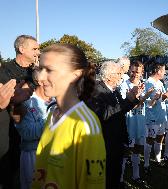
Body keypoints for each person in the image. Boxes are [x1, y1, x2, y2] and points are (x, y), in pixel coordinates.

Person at [31, 44, 106, 189]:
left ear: (75, 75)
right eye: (40, 69)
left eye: (49, 70)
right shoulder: (53, 114)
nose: (40, 77)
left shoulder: (85, 124)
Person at [86, 61, 142, 189]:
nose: (121, 76)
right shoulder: (96, 90)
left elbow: (121, 109)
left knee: (116, 172)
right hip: (107, 142)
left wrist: (133, 98)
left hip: (117, 140)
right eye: (119, 73)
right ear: (109, 75)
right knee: (108, 174)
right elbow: (105, 114)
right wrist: (127, 100)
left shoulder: (114, 90)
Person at [0, 35, 39, 189]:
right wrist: (15, 99)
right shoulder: (4, 73)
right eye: (34, 48)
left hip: (35, 139)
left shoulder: (36, 73)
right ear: (21, 49)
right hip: (11, 138)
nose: (38, 52)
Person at [12, 70, 53, 189]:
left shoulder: (56, 101)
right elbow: (27, 133)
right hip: (33, 156)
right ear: (40, 81)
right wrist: (54, 118)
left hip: (54, 154)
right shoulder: (26, 101)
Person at [119, 60, 154, 184]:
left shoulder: (143, 84)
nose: (134, 74)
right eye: (132, 71)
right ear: (129, 71)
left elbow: (148, 105)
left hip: (140, 122)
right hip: (129, 124)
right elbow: (127, 107)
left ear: (142, 72)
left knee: (138, 150)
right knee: (125, 153)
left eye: (137, 72)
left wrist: (153, 98)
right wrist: (143, 97)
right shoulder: (124, 85)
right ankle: (121, 179)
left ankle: (136, 175)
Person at [144, 63, 168, 172]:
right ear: (158, 71)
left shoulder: (160, 82)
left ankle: (158, 159)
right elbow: (150, 102)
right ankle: (146, 163)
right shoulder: (149, 82)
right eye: (163, 71)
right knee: (150, 139)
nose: (164, 73)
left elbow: (163, 98)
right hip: (152, 116)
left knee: (160, 137)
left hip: (161, 116)